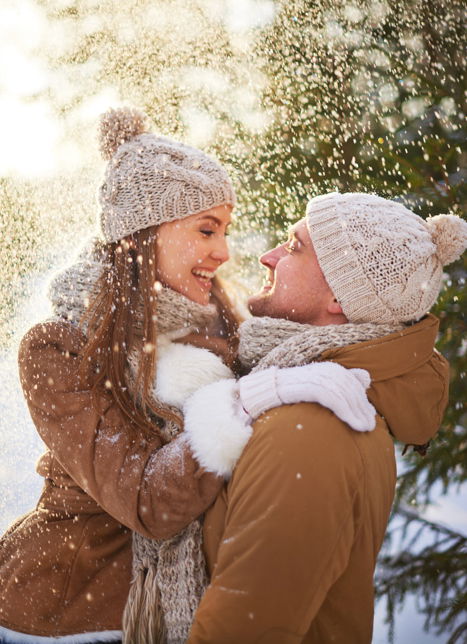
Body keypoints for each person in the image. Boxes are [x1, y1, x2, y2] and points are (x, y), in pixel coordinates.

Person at [0, 111, 375, 644]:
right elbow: (148, 502)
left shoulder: (220, 323)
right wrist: (246, 401)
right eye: (206, 229)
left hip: (164, 609)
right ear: (144, 234)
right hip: (64, 611)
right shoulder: (58, 347)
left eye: (225, 230)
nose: (222, 252)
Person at [184, 192, 467, 644]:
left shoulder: (314, 428)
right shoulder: (315, 399)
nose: (267, 256)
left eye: (294, 247)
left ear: (340, 294)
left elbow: (246, 630)